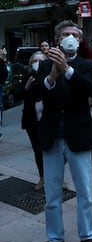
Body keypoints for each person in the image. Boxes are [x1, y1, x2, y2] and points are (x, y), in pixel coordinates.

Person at [30, 20, 92, 242]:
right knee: (52, 195)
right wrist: (51, 76)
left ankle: (87, 235)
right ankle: (55, 239)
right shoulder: (46, 64)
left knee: (85, 192)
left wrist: (69, 72)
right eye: (65, 34)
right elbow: (33, 94)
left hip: (77, 136)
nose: (69, 37)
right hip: (51, 137)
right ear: (58, 39)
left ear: (80, 40)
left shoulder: (88, 65)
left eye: (74, 34)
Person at [21, 51, 47, 190]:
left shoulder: (49, 76)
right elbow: (20, 95)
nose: (37, 63)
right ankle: (42, 177)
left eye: (40, 60)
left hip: (47, 119)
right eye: (34, 61)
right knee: (38, 150)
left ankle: (55, 177)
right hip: (32, 120)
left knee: (52, 151)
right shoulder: (28, 77)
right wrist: (27, 87)